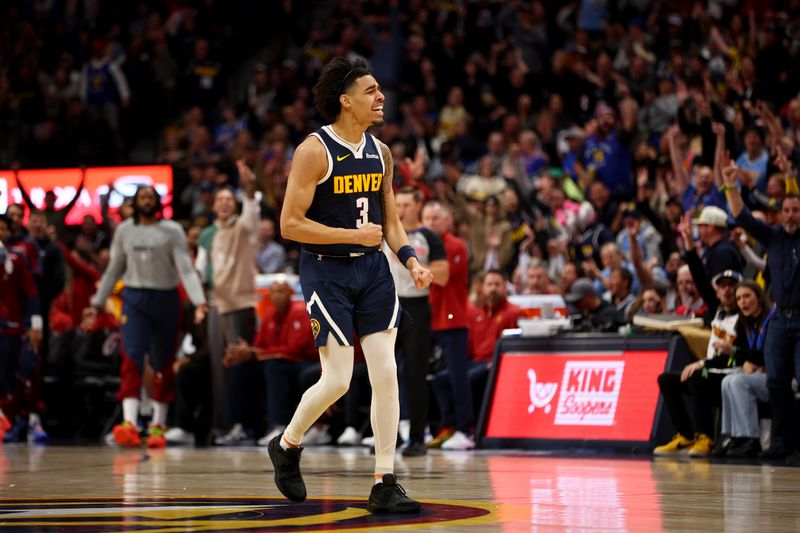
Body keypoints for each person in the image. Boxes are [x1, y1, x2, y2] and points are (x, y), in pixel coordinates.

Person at [268, 57, 432, 514]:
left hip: (374, 271)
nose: (381, 98)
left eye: (381, 90)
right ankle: (287, 445)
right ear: (346, 101)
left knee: (386, 373)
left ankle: (384, 480)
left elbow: (392, 224)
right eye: (371, 91)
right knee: (338, 380)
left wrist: (411, 261)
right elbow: (289, 224)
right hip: (327, 271)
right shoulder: (314, 150)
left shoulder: (381, 152)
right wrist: (350, 236)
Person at [84, 186, 208, 448]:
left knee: (163, 362)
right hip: (134, 299)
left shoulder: (172, 230)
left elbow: (185, 269)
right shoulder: (125, 230)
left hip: (165, 299)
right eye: (142, 197)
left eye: (151, 197)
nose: (147, 201)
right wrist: (96, 303)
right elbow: (114, 269)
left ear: (158, 202)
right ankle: (129, 423)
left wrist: (199, 302)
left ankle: (157, 425)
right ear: (136, 202)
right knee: (132, 357)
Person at [722, 162, 800, 459]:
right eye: (787, 211)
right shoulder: (774, 237)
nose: (791, 216)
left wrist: (791, 177)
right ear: (780, 215)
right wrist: (730, 185)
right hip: (780, 319)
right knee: (776, 381)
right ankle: (782, 442)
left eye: (796, 210)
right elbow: (741, 216)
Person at [386, 187, 448, 457]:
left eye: (407, 205)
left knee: (414, 374)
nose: (400, 210)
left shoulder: (428, 236)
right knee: (384, 373)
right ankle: (388, 437)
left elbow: (444, 274)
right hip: (387, 305)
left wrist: (420, 270)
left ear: (418, 206)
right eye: (397, 204)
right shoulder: (383, 233)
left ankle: (417, 438)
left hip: (416, 306)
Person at [203, 163, 261, 446]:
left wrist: (249, 188)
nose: (224, 204)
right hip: (218, 305)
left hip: (240, 305)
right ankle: (226, 424)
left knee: (238, 368)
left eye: (229, 199)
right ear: (214, 207)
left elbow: (252, 213)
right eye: (219, 200)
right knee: (221, 369)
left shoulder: (243, 228)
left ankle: (244, 425)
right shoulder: (214, 235)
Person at [653, 269, 741, 457]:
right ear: (717, 291)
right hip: (712, 371)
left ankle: (706, 436)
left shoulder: (744, 319)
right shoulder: (718, 314)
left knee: (697, 377)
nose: (727, 290)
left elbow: (731, 357)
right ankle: (685, 435)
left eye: (731, 286)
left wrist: (702, 363)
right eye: (722, 286)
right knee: (666, 379)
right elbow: (702, 283)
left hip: (731, 376)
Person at [222, 278, 317, 445]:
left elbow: (293, 350)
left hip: (305, 362)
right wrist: (246, 353)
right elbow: (259, 346)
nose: (277, 296)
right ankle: (243, 427)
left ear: (291, 293)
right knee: (240, 369)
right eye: (273, 292)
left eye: (281, 291)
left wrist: (253, 352)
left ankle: (278, 425)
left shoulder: (300, 311)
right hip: (279, 361)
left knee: (274, 368)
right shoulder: (269, 314)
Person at [421, 201, 474, 450]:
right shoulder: (420, 246)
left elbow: (440, 277)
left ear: (447, 221)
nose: (431, 223)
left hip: (453, 318)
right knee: (414, 374)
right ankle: (439, 426)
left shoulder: (455, 245)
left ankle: (465, 430)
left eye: (436, 218)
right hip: (427, 317)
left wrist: (410, 265)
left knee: (457, 377)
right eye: (427, 218)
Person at [715, 281, 775, 458]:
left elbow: (765, 356)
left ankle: (749, 438)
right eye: (739, 298)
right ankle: (729, 435)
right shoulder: (745, 323)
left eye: (747, 296)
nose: (743, 302)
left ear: (759, 297)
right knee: (727, 381)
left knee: (739, 381)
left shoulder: (772, 320)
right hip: (759, 376)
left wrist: (737, 352)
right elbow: (747, 356)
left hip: (779, 378)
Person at [0, 214, 43, 441]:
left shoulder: (17, 258)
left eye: (3, 229)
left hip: (13, 327)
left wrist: (35, 324)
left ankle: (22, 420)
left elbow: (31, 293)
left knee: (18, 372)